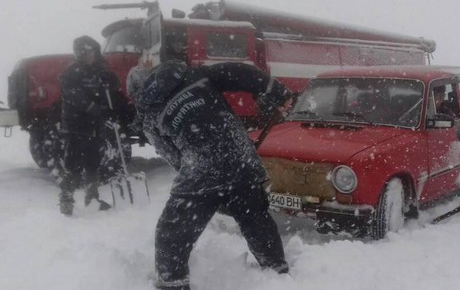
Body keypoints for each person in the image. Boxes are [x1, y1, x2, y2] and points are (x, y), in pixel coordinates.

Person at [136, 60, 291, 290]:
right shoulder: (195, 75)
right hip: (240, 158)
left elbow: (172, 155)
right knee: (255, 219)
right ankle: (277, 272)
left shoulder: (149, 113)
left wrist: (203, 187)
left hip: (201, 170)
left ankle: (172, 284)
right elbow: (240, 72)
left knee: (171, 234)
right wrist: (276, 91)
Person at [58, 35, 124, 215]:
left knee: (93, 162)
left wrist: (109, 79)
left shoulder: (100, 70)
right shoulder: (71, 72)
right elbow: (75, 96)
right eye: (83, 52)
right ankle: (66, 199)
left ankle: (92, 198)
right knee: (73, 163)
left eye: (90, 51)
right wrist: (96, 108)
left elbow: (114, 86)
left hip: (95, 126)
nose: (88, 55)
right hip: (76, 126)